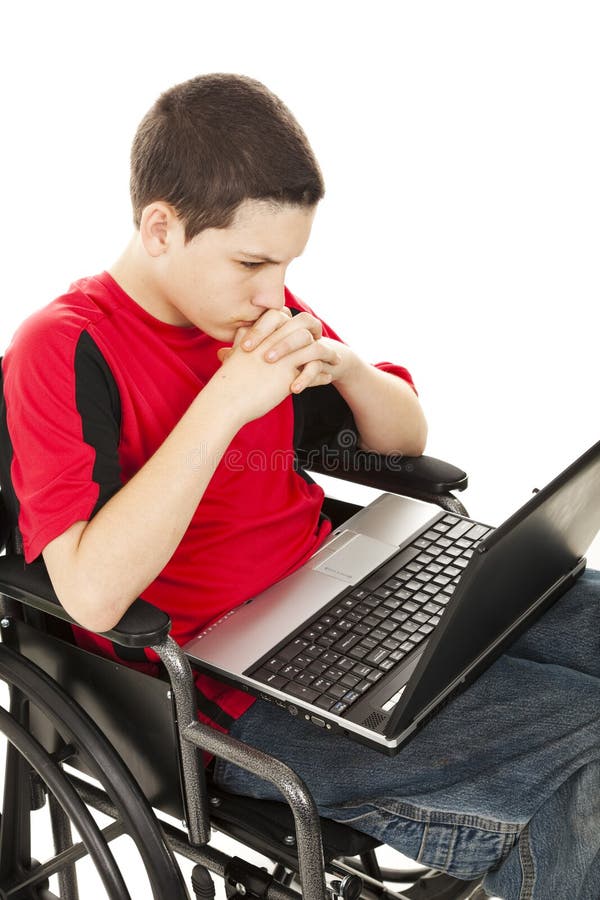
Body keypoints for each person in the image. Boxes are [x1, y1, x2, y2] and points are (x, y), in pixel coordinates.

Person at [1, 74, 598, 900]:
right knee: (585, 756)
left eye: (287, 264)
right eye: (252, 261)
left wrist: (348, 369)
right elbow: (93, 596)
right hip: (224, 698)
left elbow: (404, 447)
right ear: (161, 228)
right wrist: (220, 406)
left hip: (342, 596)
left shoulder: (247, 308)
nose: (271, 292)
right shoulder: (60, 350)